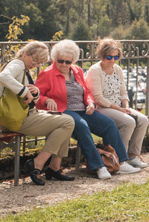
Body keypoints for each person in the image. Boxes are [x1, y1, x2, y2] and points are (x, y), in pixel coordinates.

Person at [34, 39, 141, 179]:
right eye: (61, 61)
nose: (64, 64)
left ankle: (120, 161)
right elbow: (36, 96)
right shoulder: (47, 74)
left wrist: (90, 103)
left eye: (68, 61)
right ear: (55, 59)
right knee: (82, 126)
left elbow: (86, 91)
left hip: (84, 109)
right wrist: (47, 99)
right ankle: (99, 166)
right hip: (63, 110)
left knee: (108, 124)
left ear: (73, 60)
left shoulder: (77, 71)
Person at [0, 41, 76, 185]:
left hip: (20, 116)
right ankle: (39, 164)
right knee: (67, 122)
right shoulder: (18, 64)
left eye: (39, 63)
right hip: (18, 119)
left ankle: (54, 168)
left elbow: (28, 96)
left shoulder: (23, 67)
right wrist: (24, 91)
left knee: (66, 121)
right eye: (34, 60)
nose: (35, 64)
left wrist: (35, 92)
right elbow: (2, 77)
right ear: (25, 53)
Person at [86, 38, 149, 170]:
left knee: (143, 120)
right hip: (103, 107)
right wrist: (119, 109)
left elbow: (123, 91)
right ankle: (119, 158)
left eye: (116, 56)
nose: (113, 60)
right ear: (102, 55)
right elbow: (98, 98)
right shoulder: (95, 70)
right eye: (109, 56)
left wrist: (126, 106)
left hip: (119, 106)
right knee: (128, 122)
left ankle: (132, 156)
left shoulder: (117, 69)